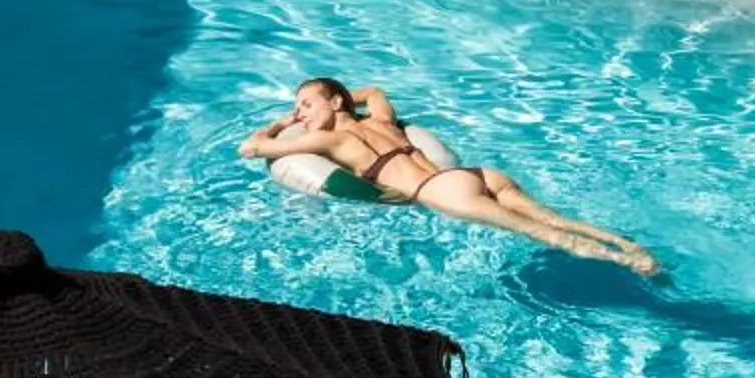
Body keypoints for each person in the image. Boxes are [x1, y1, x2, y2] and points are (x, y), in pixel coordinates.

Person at [240, 78, 658, 274]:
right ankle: (629, 246)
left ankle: (629, 263)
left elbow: (252, 148)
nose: (302, 113)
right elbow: (376, 91)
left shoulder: (331, 144)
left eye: (307, 104)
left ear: (333, 103)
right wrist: (340, 99)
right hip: (475, 174)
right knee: (554, 219)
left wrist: (280, 123)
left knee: (543, 234)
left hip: (438, 190)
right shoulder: (383, 121)